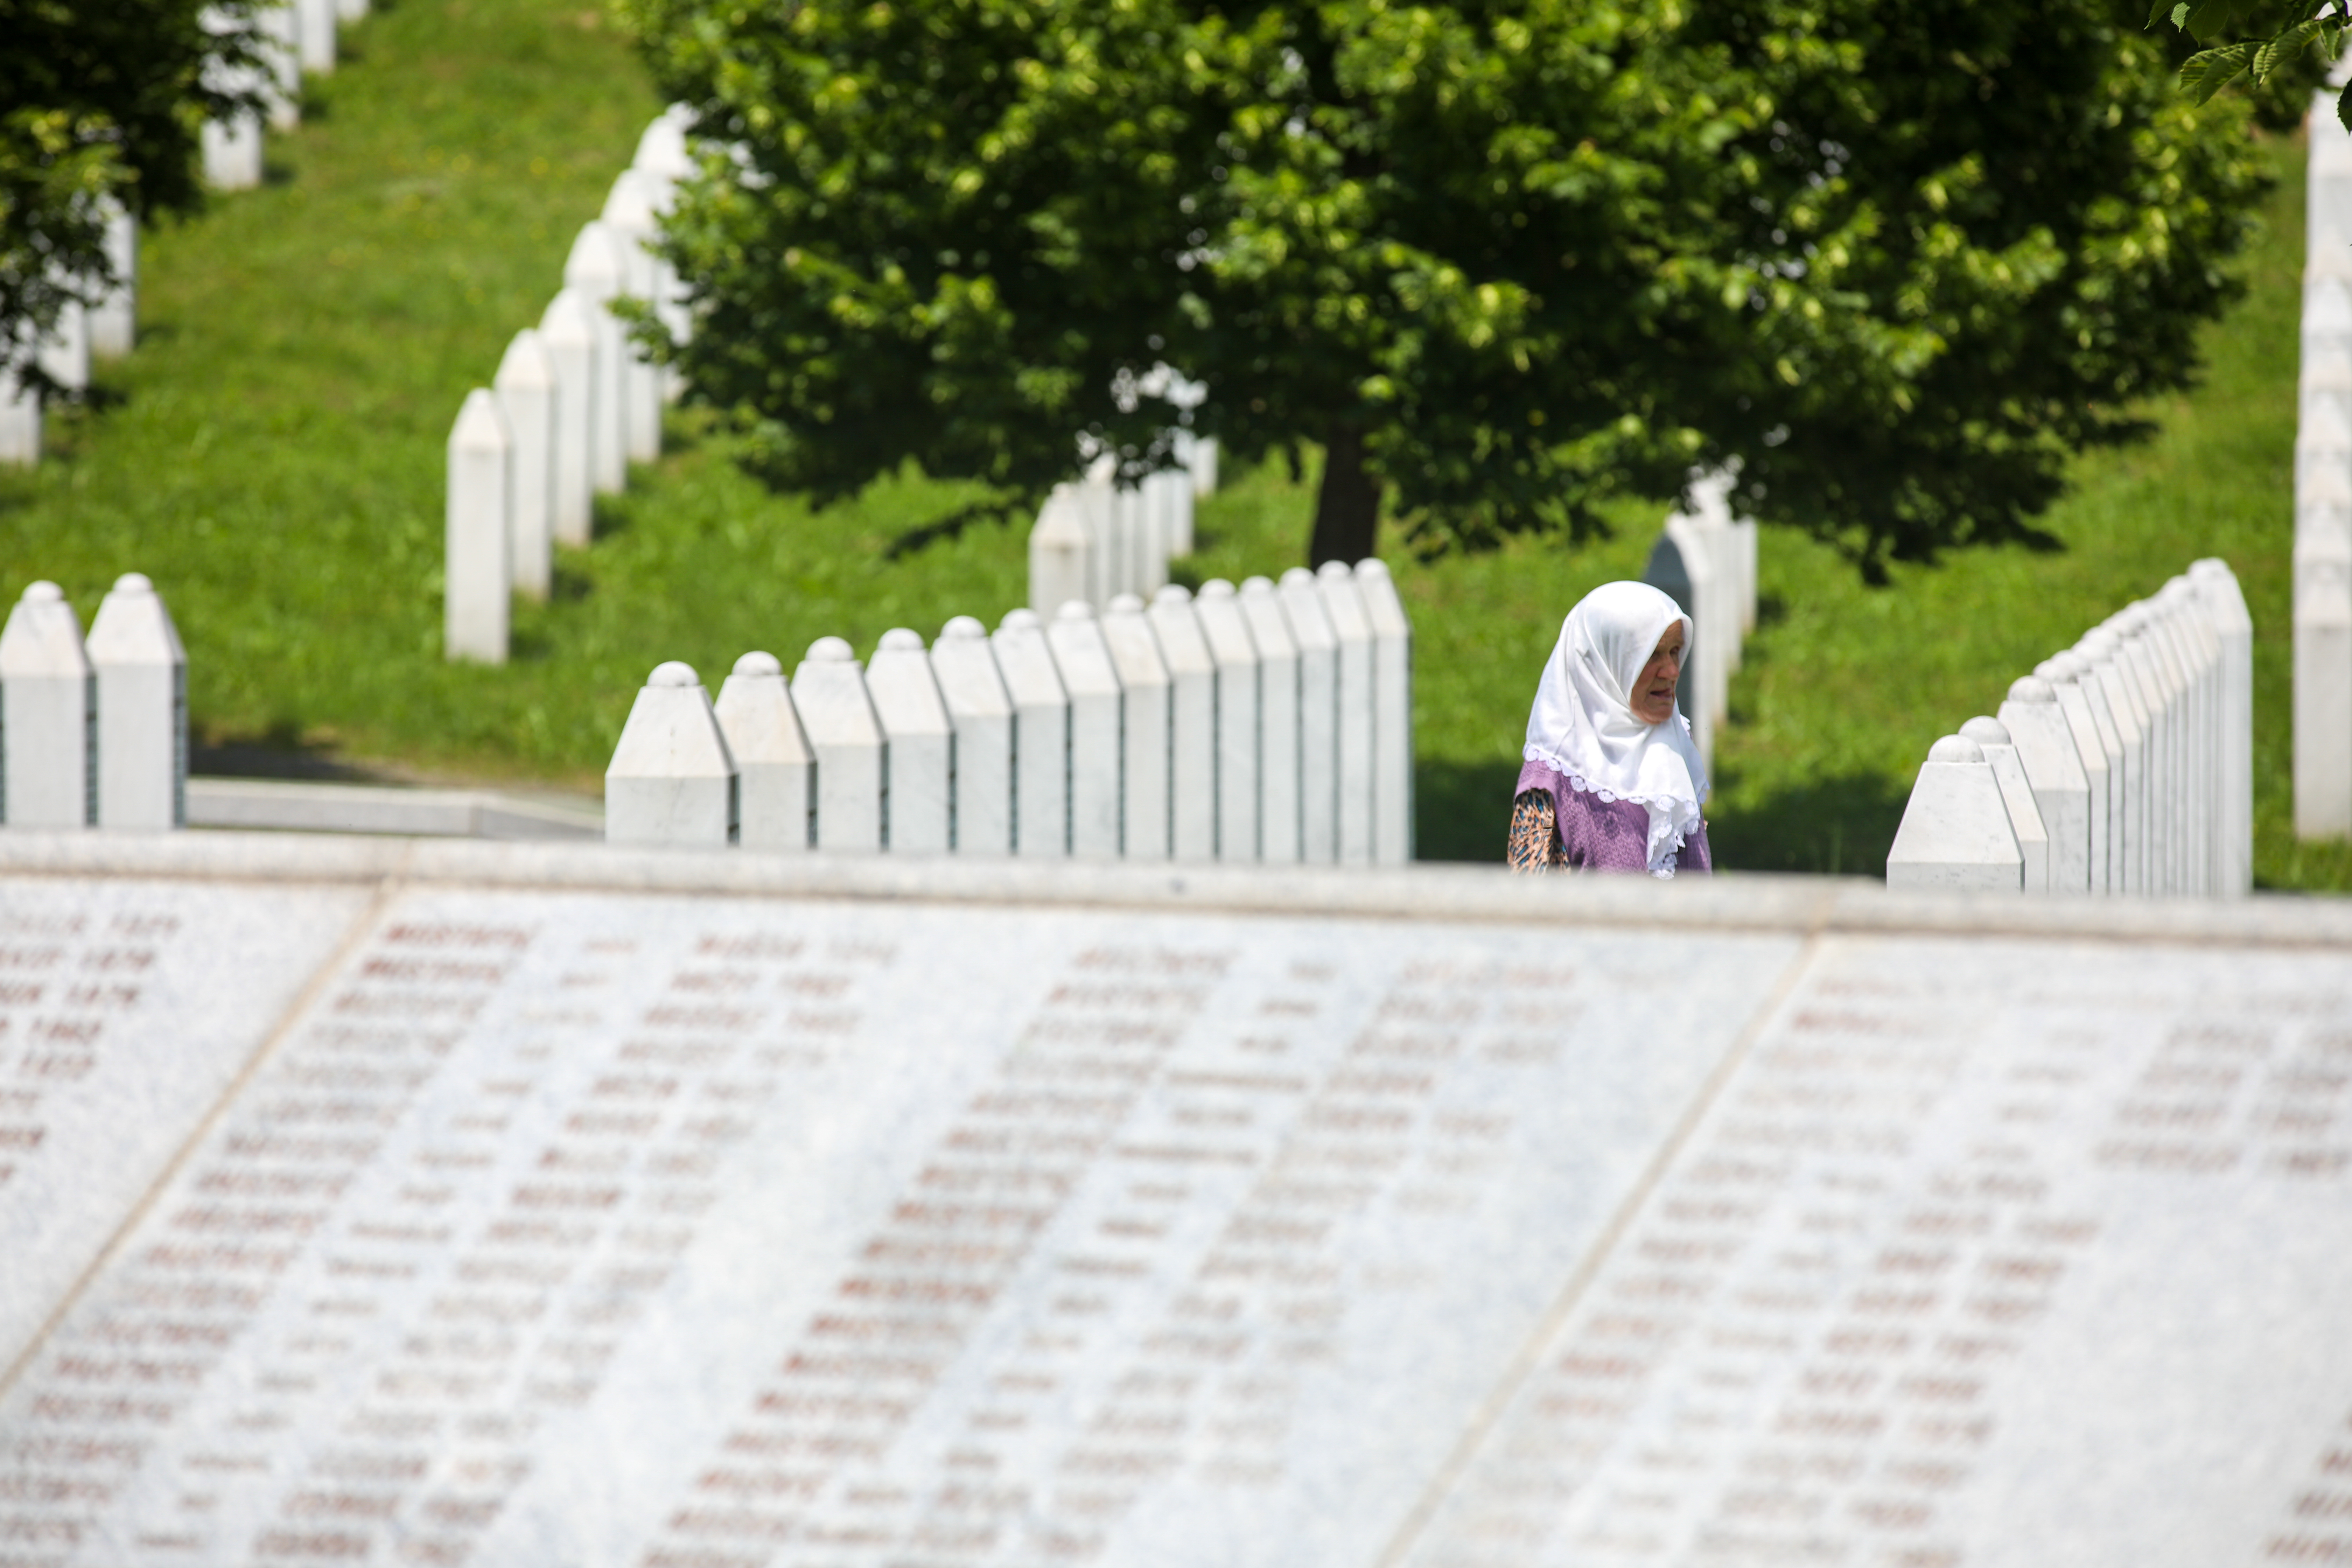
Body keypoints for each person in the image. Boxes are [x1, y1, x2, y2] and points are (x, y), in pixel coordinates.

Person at [1508, 580, 1712, 877]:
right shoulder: (1548, 787)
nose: (1672, 671)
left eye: (1675, 651)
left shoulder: (1676, 748)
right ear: (1605, 664)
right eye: (1653, 654)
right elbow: (1525, 906)